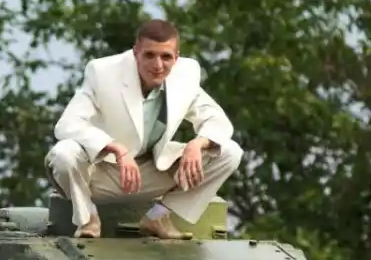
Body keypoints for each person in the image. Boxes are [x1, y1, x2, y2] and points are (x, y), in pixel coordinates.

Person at [45, 19, 243, 239]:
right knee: (63, 154)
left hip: (150, 174)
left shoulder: (186, 74)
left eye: (166, 57)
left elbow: (218, 121)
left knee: (229, 152)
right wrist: (115, 148)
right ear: (135, 53)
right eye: (149, 55)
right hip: (101, 174)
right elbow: (67, 124)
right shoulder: (103, 72)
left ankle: (158, 216)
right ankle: (88, 218)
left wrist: (198, 144)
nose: (158, 65)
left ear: (176, 57)